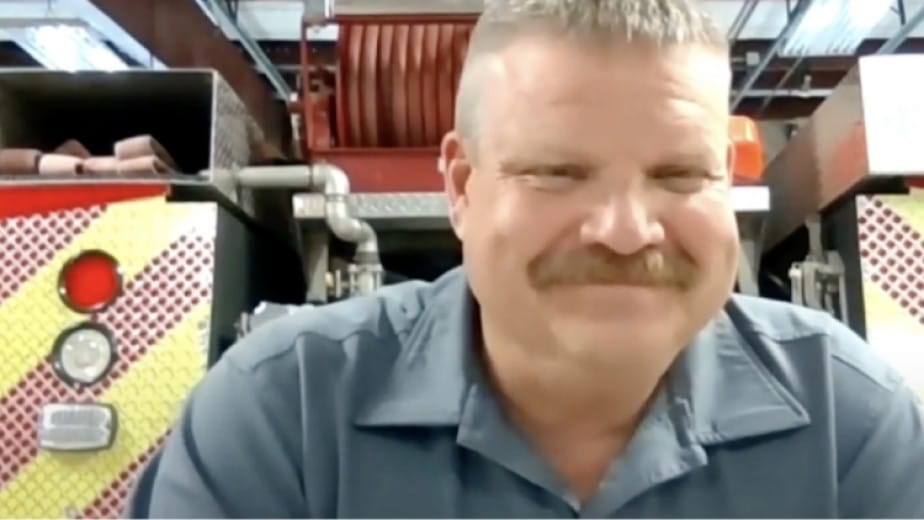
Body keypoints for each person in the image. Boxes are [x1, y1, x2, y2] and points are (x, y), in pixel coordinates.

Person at [126, 0, 924, 517]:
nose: (625, 229)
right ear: (463, 186)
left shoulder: (849, 423)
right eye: (557, 173)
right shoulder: (282, 416)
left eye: (680, 175)